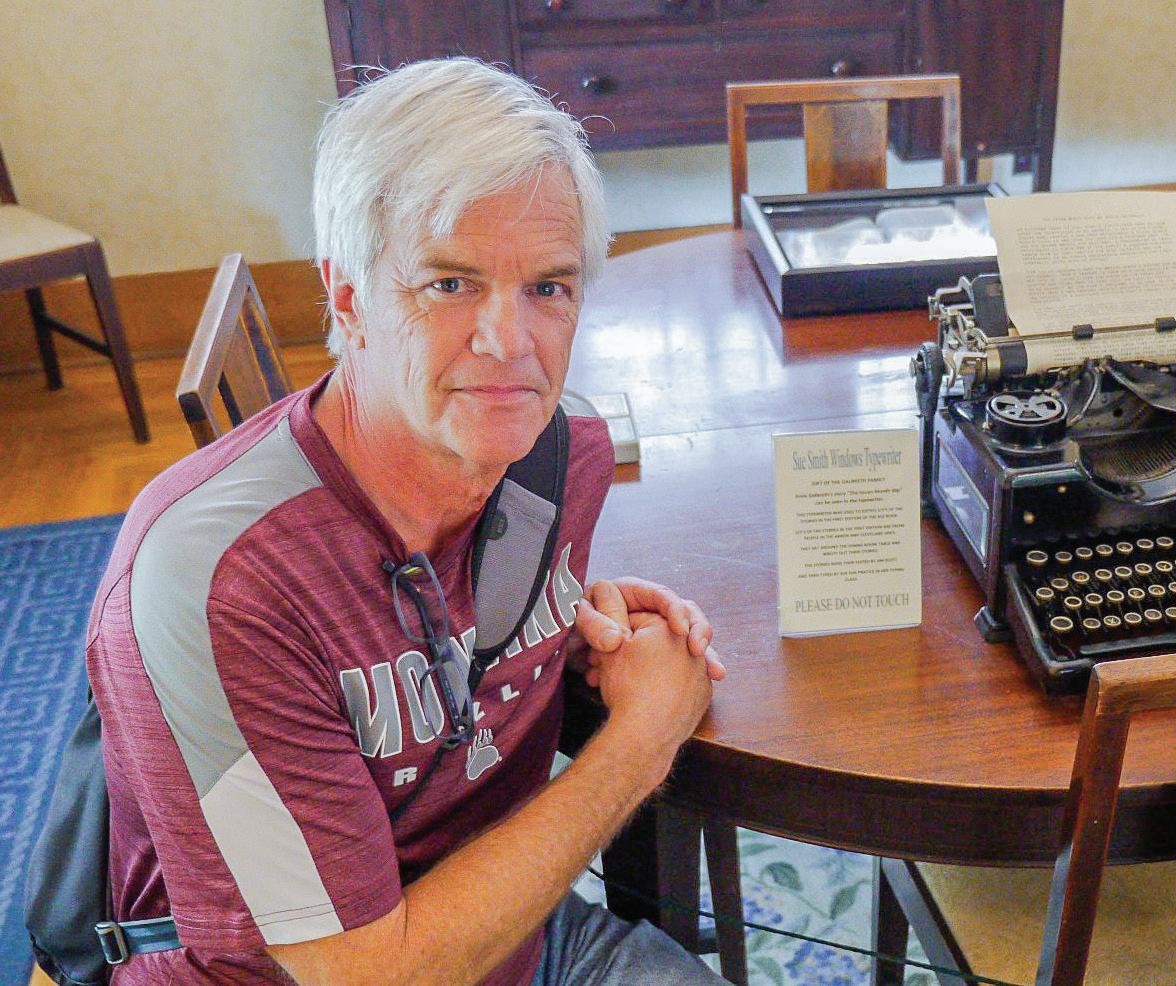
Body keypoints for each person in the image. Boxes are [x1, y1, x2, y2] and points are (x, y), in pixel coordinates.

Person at [85, 58, 730, 985]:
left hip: (512, 928)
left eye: (548, 287)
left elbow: (436, 644)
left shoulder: (557, 458)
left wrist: (567, 627)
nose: (509, 343)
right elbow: (368, 976)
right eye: (449, 284)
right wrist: (640, 741)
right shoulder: (221, 584)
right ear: (347, 298)